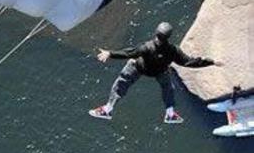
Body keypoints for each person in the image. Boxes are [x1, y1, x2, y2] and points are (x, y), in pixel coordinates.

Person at [89, 22, 222, 123]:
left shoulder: (147, 46)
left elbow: (129, 52)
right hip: (160, 71)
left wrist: (110, 53)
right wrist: (211, 62)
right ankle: (170, 114)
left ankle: (107, 109)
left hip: (139, 67)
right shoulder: (173, 50)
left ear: (156, 33)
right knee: (168, 88)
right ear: (169, 36)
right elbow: (189, 62)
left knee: (123, 81)